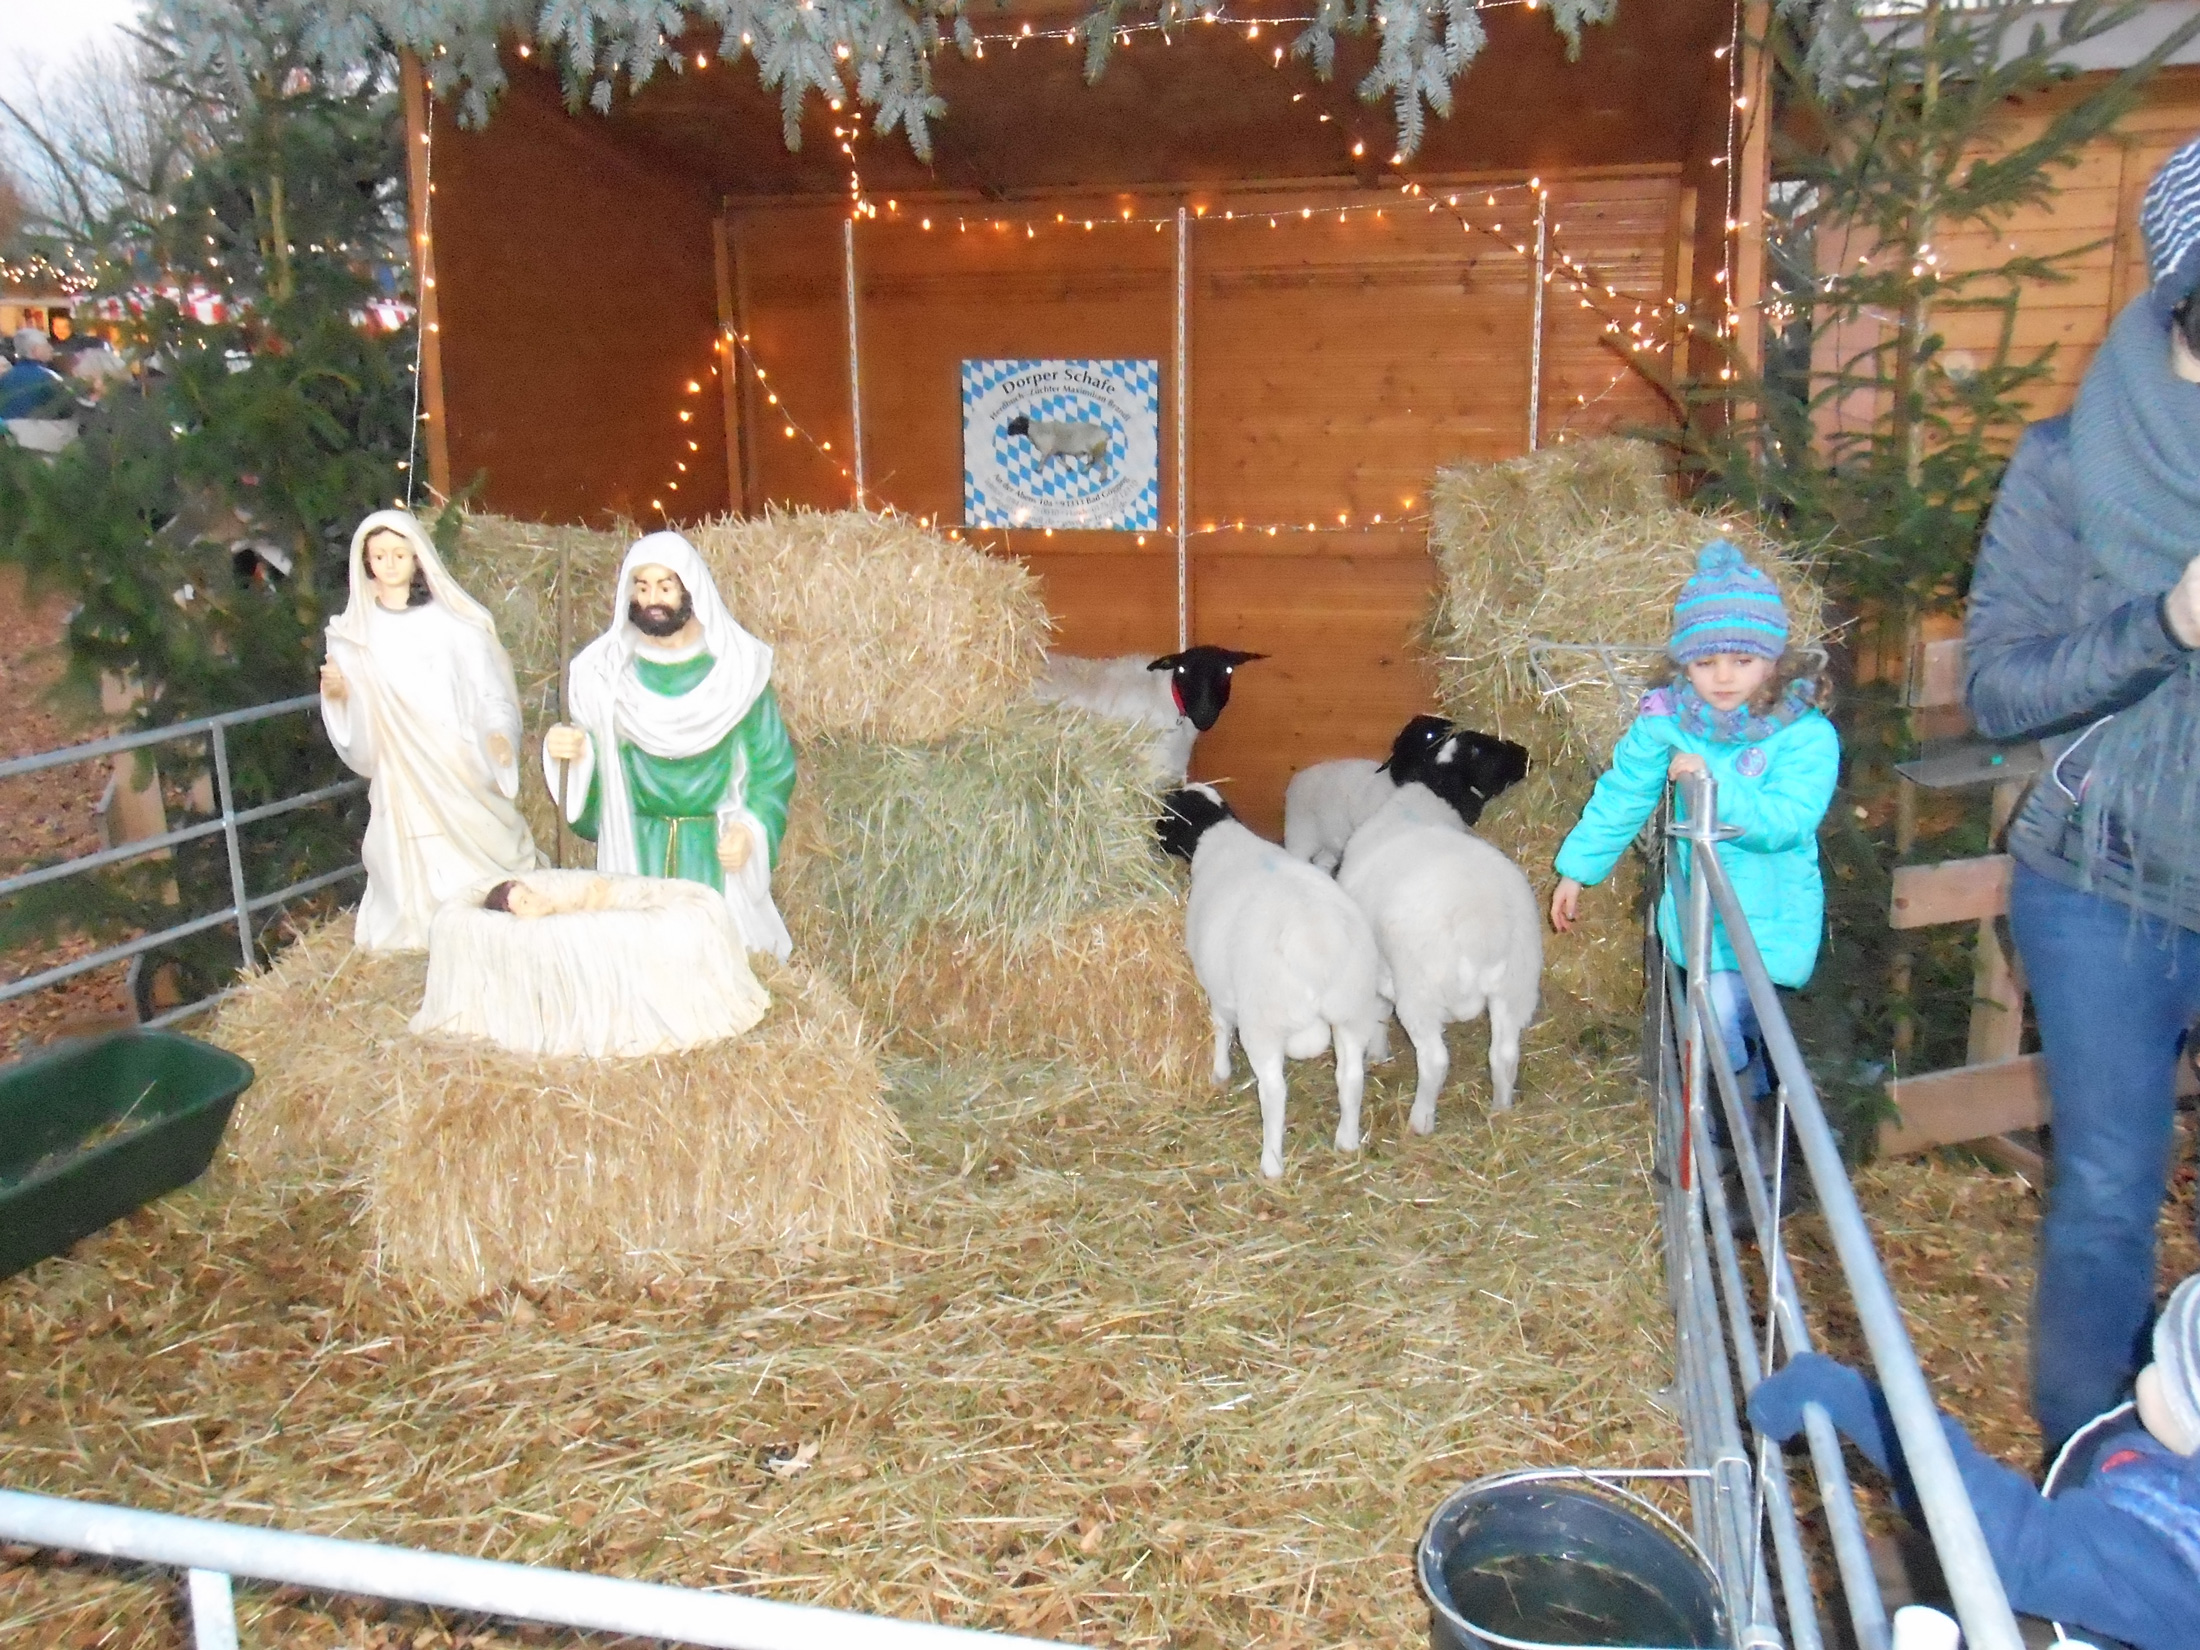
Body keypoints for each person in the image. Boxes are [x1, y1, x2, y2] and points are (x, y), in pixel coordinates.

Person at [1964, 134, 2200, 1458]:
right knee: (2111, 1188)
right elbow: (2000, 686)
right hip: (2101, 880)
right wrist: (2166, 619)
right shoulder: (2065, 463)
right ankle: (2090, 1459)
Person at [1749, 1271, 2200, 1649]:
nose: (2147, 1371)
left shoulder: (2169, 1553)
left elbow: (2017, 1545)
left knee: (1892, 1593)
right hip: (2081, 1598)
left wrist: (1868, 1410)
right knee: (1888, 1573)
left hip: (2062, 1602)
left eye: (2170, 1371)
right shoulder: (2165, 1465)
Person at [1550, 539, 1840, 1118]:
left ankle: (1740, 1155)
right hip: (1697, 924)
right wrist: (1578, 869)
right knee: (1712, 1037)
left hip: (1767, 925)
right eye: (1705, 664)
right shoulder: (1670, 722)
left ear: (1774, 659)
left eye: (1742, 661)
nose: (1724, 678)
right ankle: (1719, 1148)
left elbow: (1788, 822)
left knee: (1729, 1038)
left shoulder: (1804, 735)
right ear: (1684, 664)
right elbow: (1624, 791)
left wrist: (1713, 789)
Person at [543, 530, 797, 958]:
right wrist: (572, 752)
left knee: (710, 960)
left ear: (690, 589)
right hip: (636, 845)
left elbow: (771, 768)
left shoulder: (738, 672)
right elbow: (592, 783)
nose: (652, 599)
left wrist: (750, 830)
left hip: (709, 849)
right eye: (641, 587)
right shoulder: (603, 674)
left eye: (665, 586)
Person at [321, 510, 540, 951]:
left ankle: (481, 919)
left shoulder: (453, 624)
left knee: (479, 844)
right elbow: (356, 717)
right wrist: (339, 694)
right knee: (412, 853)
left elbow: (488, 690)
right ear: (365, 561)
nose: (389, 563)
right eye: (379, 554)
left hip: (455, 758)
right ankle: (421, 928)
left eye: (399, 553)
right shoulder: (353, 635)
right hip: (402, 769)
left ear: (418, 558)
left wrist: (496, 735)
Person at [0, 327, 73, 421]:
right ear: (36, 351)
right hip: (40, 431)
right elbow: (68, 406)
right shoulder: (48, 377)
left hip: (9, 432)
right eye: (46, 345)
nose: (51, 348)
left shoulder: (5, 377)